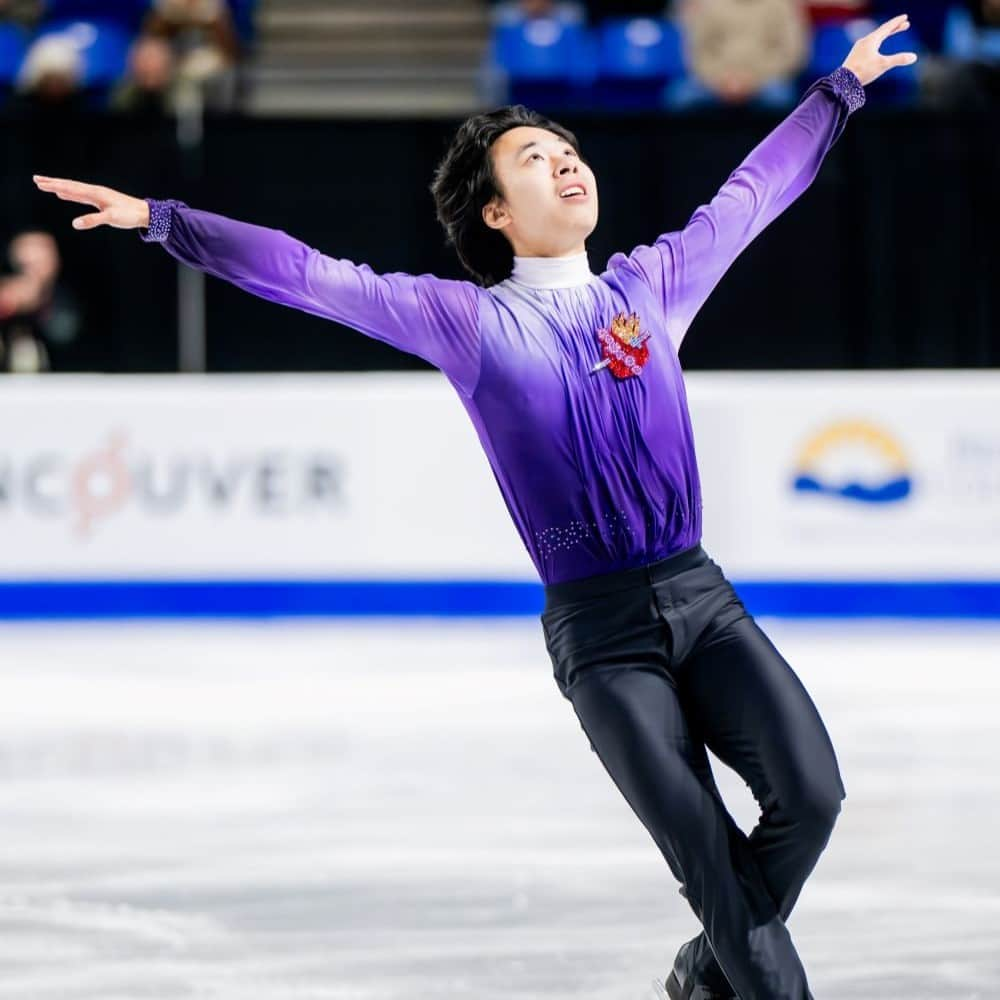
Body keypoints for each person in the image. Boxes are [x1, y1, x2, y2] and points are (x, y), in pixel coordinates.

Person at [32, 15, 916, 999]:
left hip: (701, 598)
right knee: (711, 865)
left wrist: (839, 86)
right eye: (535, 159)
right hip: (603, 634)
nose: (566, 164)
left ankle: (704, 971)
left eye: (569, 150)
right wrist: (161, 218)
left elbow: (752, 195)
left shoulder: (654, 284)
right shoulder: (471, 323)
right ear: (495, 211)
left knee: (813, 795)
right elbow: (310, 276)